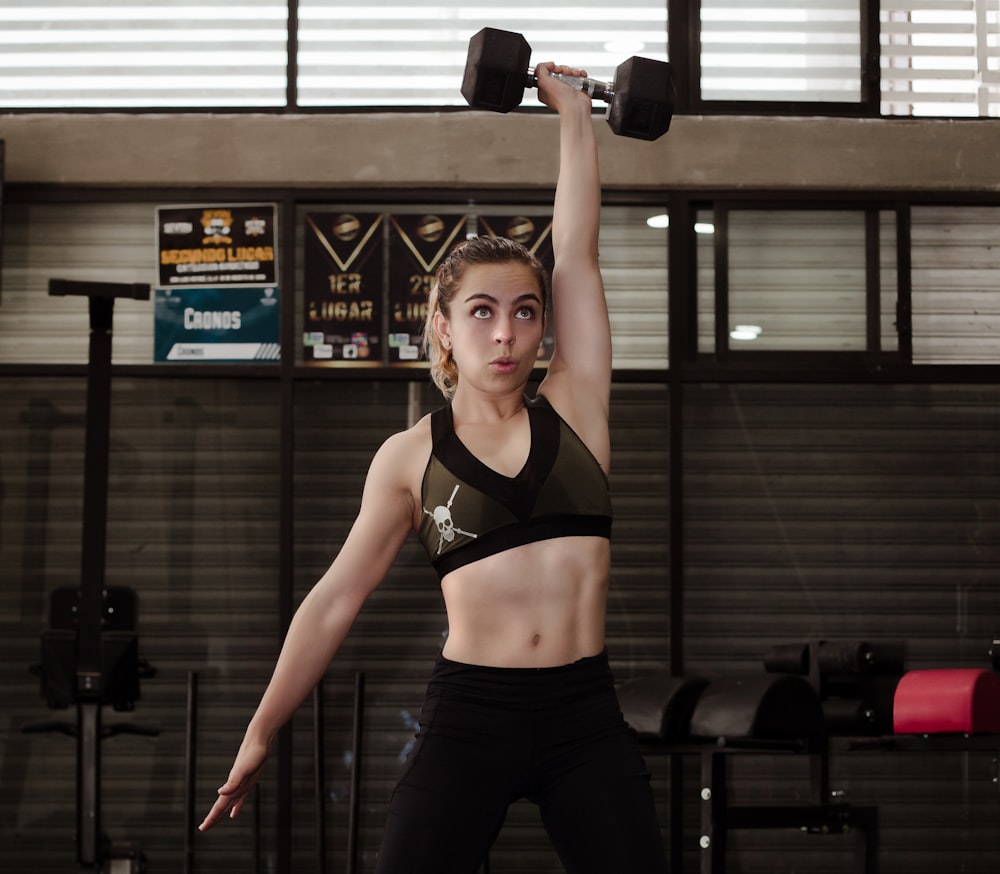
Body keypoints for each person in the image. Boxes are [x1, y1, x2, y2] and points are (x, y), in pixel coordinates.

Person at [199, 62, 669, 873]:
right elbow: (335, 599)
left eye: (525, 313)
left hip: (583, 715)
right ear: (445, 330)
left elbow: (577, 254)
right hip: (470, 716)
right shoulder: (410, 458)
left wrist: (573, 115)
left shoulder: (578, 404)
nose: (507, 334)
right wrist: (261, 728)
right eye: (482, 313)